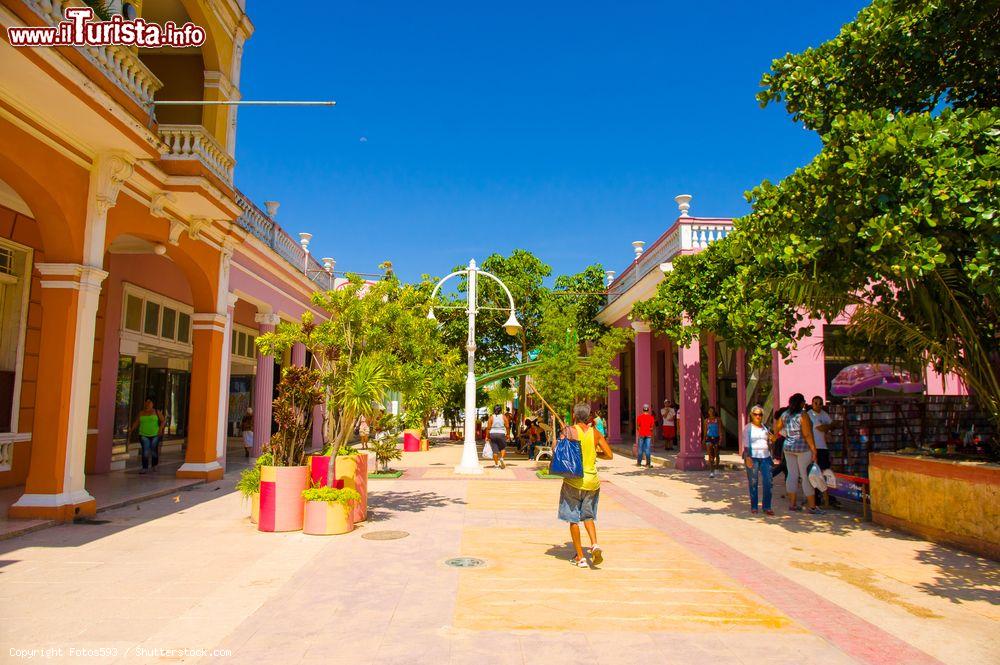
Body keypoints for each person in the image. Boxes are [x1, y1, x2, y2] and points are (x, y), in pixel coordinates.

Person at [558, 403, 613, 567]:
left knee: (573, 519)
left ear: (574, 415)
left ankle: (580, 557)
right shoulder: (595, 433)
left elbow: (558, 450)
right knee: (588, 516)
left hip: (573, 481)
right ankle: (595, 544)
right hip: (592, 481)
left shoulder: (570, 431)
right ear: (588, 416)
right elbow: (609, 455)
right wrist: (596, 453)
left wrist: (563, 434)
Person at [773, 393, 821, 514]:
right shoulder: (802, 415)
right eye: (803, 401)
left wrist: (775, 437)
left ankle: (792, 504)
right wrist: (814, 449)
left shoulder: (785, 414)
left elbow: (776, 427)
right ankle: (812, 507)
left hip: (788, 448)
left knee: (792, 475)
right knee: (805, 476)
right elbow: (807, 434)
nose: (805, 403)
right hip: (802, 449)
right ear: (800, 403)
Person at [742, 405, 775, 516]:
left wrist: (772, 440)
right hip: (753, 457)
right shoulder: (748, 428)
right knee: (753, 482)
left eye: (760, 414)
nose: (758, 416)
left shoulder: (765, 428)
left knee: (768, 482)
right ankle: (754, 506)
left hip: (765, 457)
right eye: (755, 414)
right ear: (751, 415)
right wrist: (747, 457)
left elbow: (770, 442)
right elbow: (746, 445)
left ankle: (767, 506)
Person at [808, 396, 836, 507]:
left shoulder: (824, 414)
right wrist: (827, 427)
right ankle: (816, 499)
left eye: (820, 403)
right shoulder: (810, 415)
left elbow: (833, 424)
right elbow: (821, 428)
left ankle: (825, 499)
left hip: (823, 447)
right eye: (816, 403)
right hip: (814, 448)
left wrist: (827, 426)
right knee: (814, 474)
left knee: (825, 472)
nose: (818, 405)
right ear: (812, 403)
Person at [130, 398, 165, 474]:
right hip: (143, 434)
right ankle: (144, 467)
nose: (148, 404)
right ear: (145, 404)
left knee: (153, 450)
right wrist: (131, 430)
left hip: (155, 434)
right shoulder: (141, 413)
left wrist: (160, 429)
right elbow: (136, 422)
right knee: (145, 451)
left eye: (150, 402)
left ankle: (154, 464)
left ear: (152, 404)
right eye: (147, 402)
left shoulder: (157, 412)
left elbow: (163, 421)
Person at [703, 406, 723, 478]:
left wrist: (721, 438)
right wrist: (703, 439)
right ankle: (711, 471)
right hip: (709, 438)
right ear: (708, 412)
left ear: (714, 412)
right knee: (710, 455)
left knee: (716, 454)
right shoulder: (706, 420)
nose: (711, 412)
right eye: (709, 411)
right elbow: (705, 431)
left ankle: (717, 468)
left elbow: (720, 429)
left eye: (712, 411)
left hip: (716, 438)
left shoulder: (718, 420)